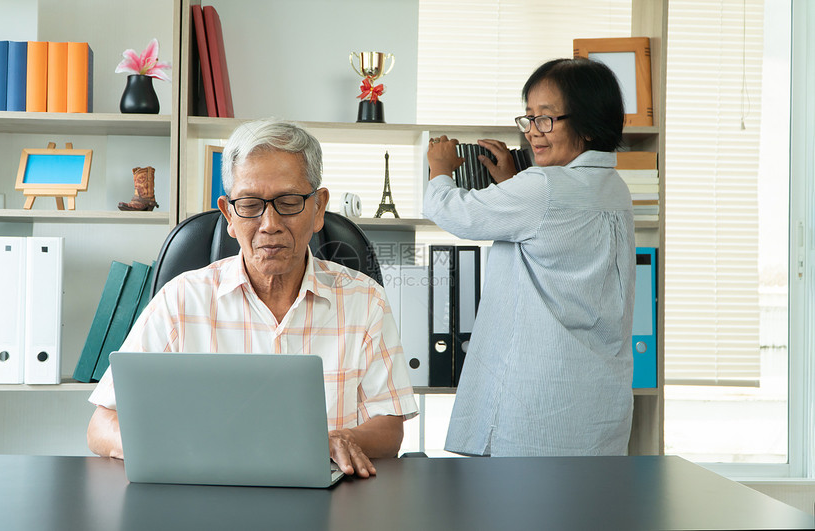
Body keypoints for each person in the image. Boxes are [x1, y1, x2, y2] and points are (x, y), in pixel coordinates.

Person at [87, 119, 418, 477]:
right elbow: (102, 424)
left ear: (319, 208)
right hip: (206, 496)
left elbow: (389, 427)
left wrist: (338, 439)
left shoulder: (365, 300)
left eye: (289, 202)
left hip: (331, 502)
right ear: (229, 214)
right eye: (249, 204)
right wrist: (178, 445)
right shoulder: (182, 299)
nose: (269, 223)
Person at [424, 58, 635, 456]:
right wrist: (511, 183)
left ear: (588, 125)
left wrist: (440, 170)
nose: (534, 133)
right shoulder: (615, 188)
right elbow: (552, 235)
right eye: (530, 118)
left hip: (537, 407)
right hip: (596, 403)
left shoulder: (543, 187)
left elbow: (454, 211)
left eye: (547, 120)